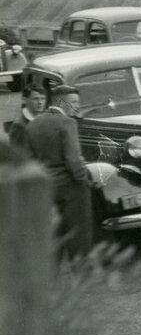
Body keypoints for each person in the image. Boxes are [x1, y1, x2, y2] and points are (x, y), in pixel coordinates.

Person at [24, 84, 93, 260]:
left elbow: (29, 160)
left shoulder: (33, 125)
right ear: (61, 103)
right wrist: (84, 180)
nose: (78, 106)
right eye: (74, 102)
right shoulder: (67, 122)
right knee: (79, 236)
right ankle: (81, 271)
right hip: (71, 188)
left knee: (54, 236)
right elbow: (73, 160)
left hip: (45, 189)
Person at [8, 84, 47, 155]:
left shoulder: (44, 119)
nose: (40, 102)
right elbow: (17, 155)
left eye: (43, 98)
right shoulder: (19, 125)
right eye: (35, 99)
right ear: (24, 100)